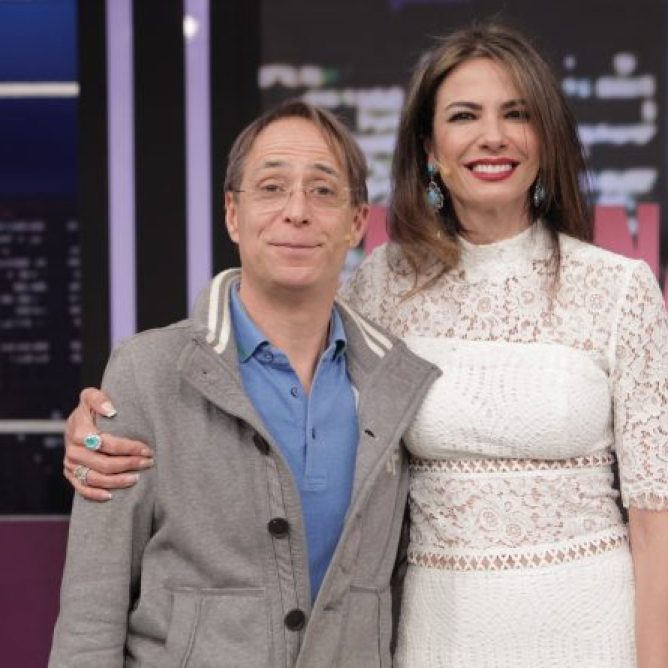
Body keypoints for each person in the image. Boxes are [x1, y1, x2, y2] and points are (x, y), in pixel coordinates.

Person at [63, 22, 668, 667]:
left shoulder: (619, 289)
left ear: (545, 138)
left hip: (592, 628)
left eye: (516, 114)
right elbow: (280, 351)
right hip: (435, 637)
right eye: (464, 115)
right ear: (430, 150)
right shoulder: (384, 284)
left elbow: (655, 522)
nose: (491, 135)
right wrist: (95, 428)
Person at [50, 100, 439, 667]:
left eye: (323, 191)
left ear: (357, 222)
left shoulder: (397, 381)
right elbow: (92, 608)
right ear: (233, 213)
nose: (297, 212)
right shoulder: (147, 370)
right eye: (272, 187)